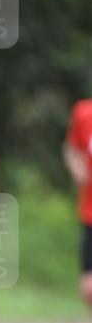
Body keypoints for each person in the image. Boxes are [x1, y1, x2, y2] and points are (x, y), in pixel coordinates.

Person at [62, 98, 92, 311]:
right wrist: (76, 168)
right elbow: (71, 147)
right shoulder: (84, 112)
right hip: (90, 212)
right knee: (88, 288)